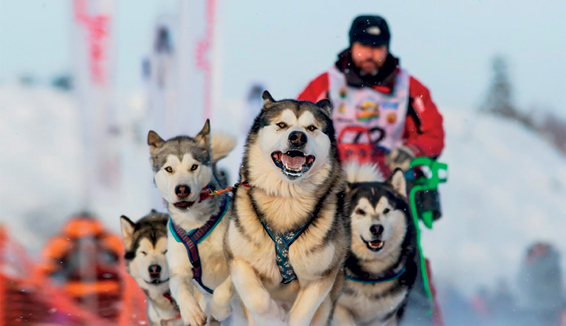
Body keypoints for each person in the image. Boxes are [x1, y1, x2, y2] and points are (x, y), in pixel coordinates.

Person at [298, 15, 445, 325]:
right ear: (351, 45)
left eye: (379, 47)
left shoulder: (409, 87)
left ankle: (420, 313)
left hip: (389, 186)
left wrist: (413, 150)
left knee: (408, 246)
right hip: (336, 185)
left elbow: (433, 132)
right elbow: (298, 125)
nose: (371, 54)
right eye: (364, 46)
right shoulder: (325, 84)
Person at [39, 213, 123, 321]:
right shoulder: (110, 240)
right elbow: (125, 264)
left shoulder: (61, 241)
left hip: (72, 296)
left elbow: (48, 268)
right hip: (109, 295)